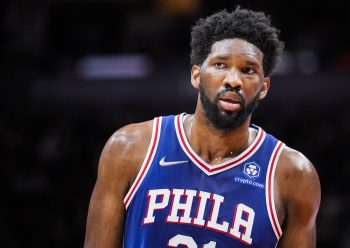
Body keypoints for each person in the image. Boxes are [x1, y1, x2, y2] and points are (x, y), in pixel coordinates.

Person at [84, 6, 321, 248]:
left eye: (248, 70)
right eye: (220, 65)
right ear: (196, 75)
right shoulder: (130, 148)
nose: (233, 80)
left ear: (263, 87)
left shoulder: (294, 176)